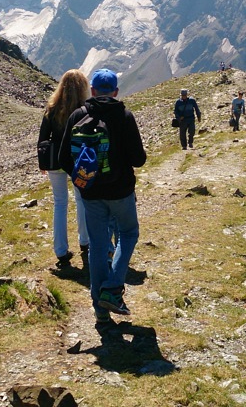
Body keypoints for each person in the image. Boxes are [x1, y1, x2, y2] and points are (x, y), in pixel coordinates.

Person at [60, 69, 147, 324]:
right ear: (116, 92)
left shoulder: (78, 115)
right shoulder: (125, 116)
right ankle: (112, 286)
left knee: (98, 246)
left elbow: (64, 157)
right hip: (121, 191)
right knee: (129, 233)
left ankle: (99, 308)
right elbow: (139, 160)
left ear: (93, 92)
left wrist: (83, 180)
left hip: (90, 194)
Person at [38, 69, 91, 269]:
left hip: (54, 162)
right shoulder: (83, 109)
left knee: (60, 204)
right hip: (78, 161)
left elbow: (43, 138)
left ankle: (61, 251)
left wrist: (43, 163)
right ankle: (85, 242)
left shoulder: (52, 108)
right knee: (82, 200)